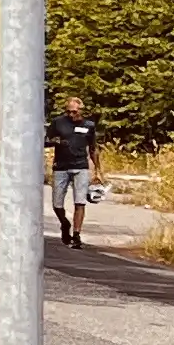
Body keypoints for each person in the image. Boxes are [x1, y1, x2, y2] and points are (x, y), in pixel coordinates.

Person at [48, 93, 104, 246]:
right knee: (57, 203)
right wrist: (57, 141)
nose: (71, 114)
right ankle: (65, 223)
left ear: (81, 111)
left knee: (80, 202)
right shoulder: (58, 122)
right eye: (68, 111)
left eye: (74, 112)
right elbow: (46, 140)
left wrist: (97, 170)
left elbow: (93, 148)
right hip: (61, 166)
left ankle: (77, 234)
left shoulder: (89, 126)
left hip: (80, 167)